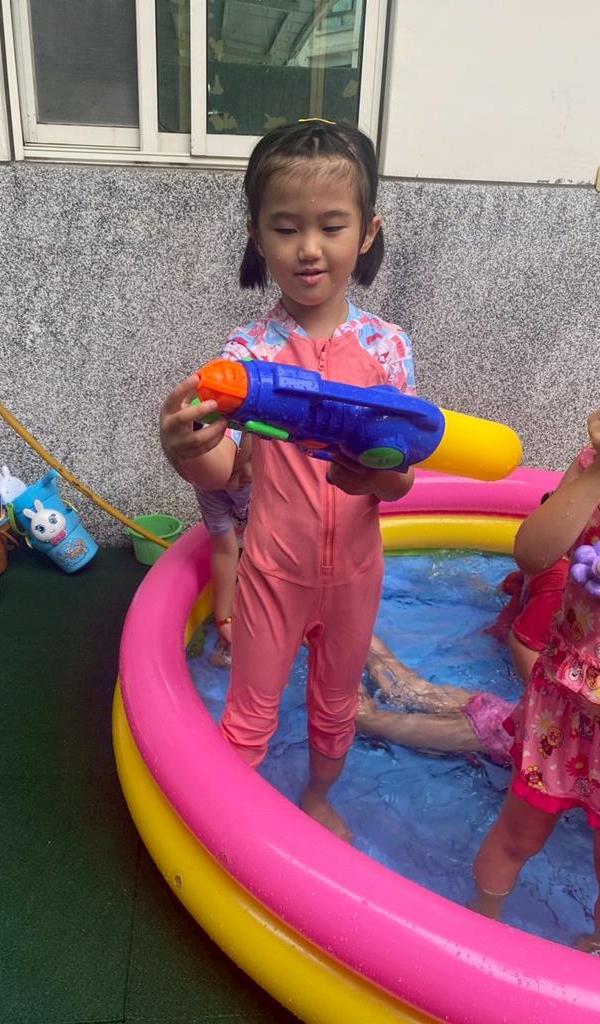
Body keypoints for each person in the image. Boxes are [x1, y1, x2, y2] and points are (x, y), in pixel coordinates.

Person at [159, 119, 416, 840]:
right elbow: (229, 467)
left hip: (355, 572)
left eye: (331, 226)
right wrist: (184, 449)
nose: (309, 248)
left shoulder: (387, 348)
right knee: (250, 710)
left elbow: (401, 482)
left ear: (366, 232)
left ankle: (318, 798)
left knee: (336, 705)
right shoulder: (248, 354)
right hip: (273, 570)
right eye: (285, 228)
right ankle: (229, 830)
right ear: (257, 236)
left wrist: (375, 479)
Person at [472, 314, 600, 961]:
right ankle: (475, 931)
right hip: (562, 704)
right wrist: (598, 472)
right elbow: (532, 553)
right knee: (515, 835)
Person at [357, 560, 568, 766]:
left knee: (405, 686)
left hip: (512, 715)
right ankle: (352, 638)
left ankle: (353, 632)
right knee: (370, 718)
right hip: (514, 735)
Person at [193, 431, 252, 668]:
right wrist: (223, 619)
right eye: (228, 480)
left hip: (292, 535)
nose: (234, 484)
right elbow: (223, 550)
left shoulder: (271, 470)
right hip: (250, 532)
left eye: (239, 475)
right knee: (221, 660)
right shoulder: (207, 481)